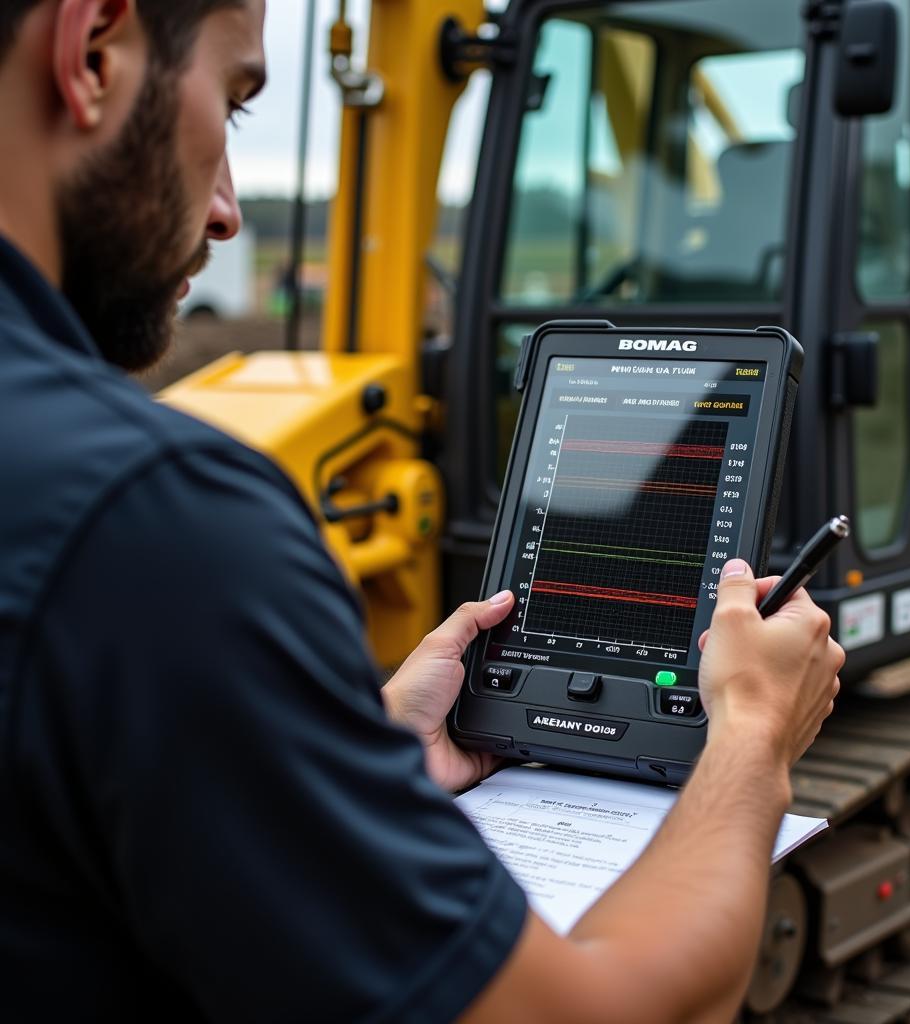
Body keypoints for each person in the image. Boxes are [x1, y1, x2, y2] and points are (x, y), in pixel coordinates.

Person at [0, 2, 844, 1021]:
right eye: (233, 100)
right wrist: (750, 735)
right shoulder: (154, 525)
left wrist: (353, 757)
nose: (226, 210)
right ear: (93, 51)